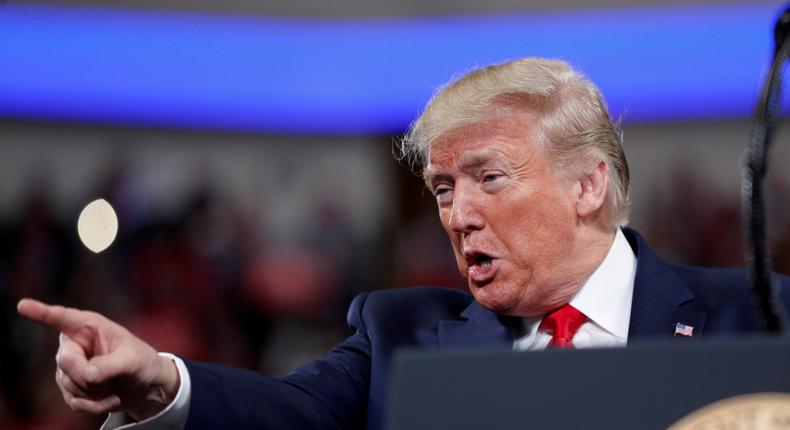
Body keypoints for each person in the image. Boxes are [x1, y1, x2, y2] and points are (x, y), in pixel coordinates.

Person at [17, 57, 790, 430]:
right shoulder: (399, 335)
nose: (457, 215)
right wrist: (161, 382)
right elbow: (287, 415)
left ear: (587, 185)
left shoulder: (760, 321)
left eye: (488, 177)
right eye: (445, 190)